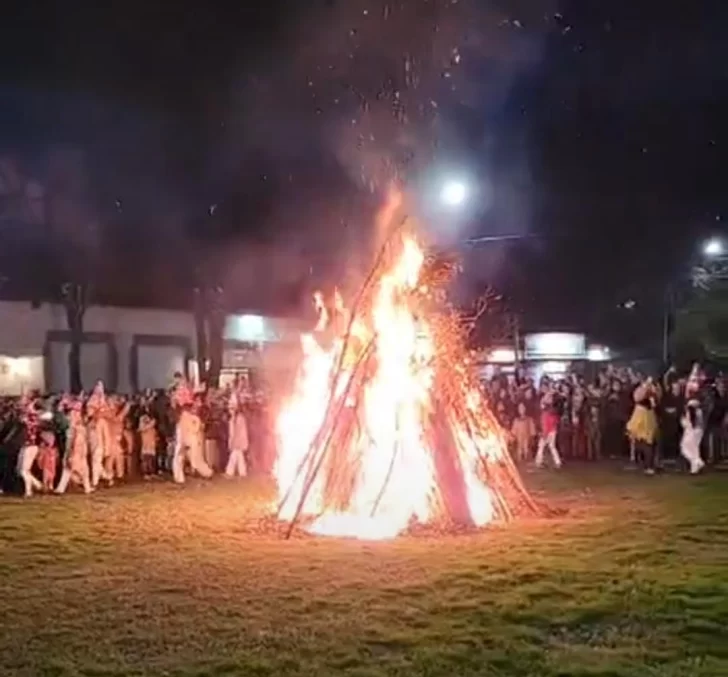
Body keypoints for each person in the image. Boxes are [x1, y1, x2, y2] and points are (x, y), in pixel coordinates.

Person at [55, 401, 93, 494]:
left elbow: (77, 441)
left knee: (76, 468)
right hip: (75, 449)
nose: (70, 415)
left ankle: (82, 485)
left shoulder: (77, 427)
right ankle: (62, 488)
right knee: (72, 469)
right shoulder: (73, 427)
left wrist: (73, 453)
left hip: (77, 450)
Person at [626, 378, 659, 475]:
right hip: (640, 414)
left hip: (647, 415)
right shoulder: (641, 389)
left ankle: (649, 465)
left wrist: (651, 390)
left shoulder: (653, 390)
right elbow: (636, 398)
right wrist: (645, 387)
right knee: (636, 439)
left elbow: (655, 402)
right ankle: (638, 462)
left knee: (648, 441)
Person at [87, 380, 112, 487]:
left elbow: (108, 414)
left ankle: (95, 482)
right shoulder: (92, 403)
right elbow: (90, 415)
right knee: (96, 461)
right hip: (92, 437)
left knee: (96, 460)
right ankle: (107, 477)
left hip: (100, 439)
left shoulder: (102, 419)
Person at [16, 394, 42, 497]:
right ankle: (36, 484)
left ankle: (29, 490)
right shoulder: (29, 415)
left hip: (31, 446)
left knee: (23, 471)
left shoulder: (32, 416)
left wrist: (29, 404)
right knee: (20, 470)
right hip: (26, 446)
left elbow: (24, 419)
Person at [535, 391, 562, 469]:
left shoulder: (546, 413)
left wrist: (545, 434)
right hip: (553, 431)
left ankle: (538, 461)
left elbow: (546, 424)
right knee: (552, 446)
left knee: (541, 446)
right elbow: (555, 422)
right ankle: (557, 462)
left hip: (548, 432)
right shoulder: (553, 411)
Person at [225, 392, 249, 477]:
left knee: (235, 455)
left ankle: (229, 472)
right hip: (237, 441)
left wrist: (234, 442)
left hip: (238, 441)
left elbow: (239, 432)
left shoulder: (239, 418)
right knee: (239, 456)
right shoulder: (234, 418)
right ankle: (242, 472)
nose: (230, 410)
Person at [680, 398, 705, 474]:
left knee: (684, 449)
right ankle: (694, 469)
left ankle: (699, 463)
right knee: (694, 450)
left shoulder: (690, 413)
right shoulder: (699, 412)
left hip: (691, 433)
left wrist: (682, 419)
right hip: (698, 432)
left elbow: (685, 425)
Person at [138, 411, 157, 479]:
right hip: (145, 446)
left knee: (151, 459)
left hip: (151, 445)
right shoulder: (143, 427)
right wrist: (151, 423)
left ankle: (152, 472)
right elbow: (142, 429)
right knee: (146, 460)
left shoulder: (152, 428)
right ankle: (145, 473)